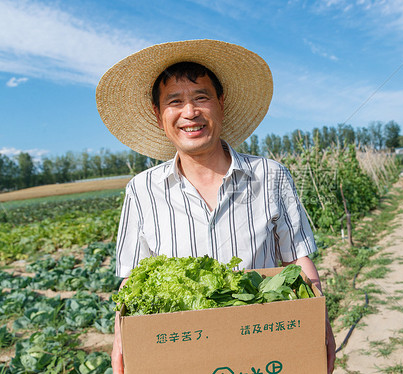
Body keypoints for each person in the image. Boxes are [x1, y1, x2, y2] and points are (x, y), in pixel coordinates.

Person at [96, 39, 336, 373]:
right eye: (175, 101)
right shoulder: (142, 191)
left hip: (262, 346)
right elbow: (132, 281)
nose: (190, 112)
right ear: (158, 114)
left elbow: (297, 258)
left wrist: (317, 322)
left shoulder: (270, 176)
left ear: (220, 103)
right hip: (183, 353)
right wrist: (122, 338)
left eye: (201, 97)